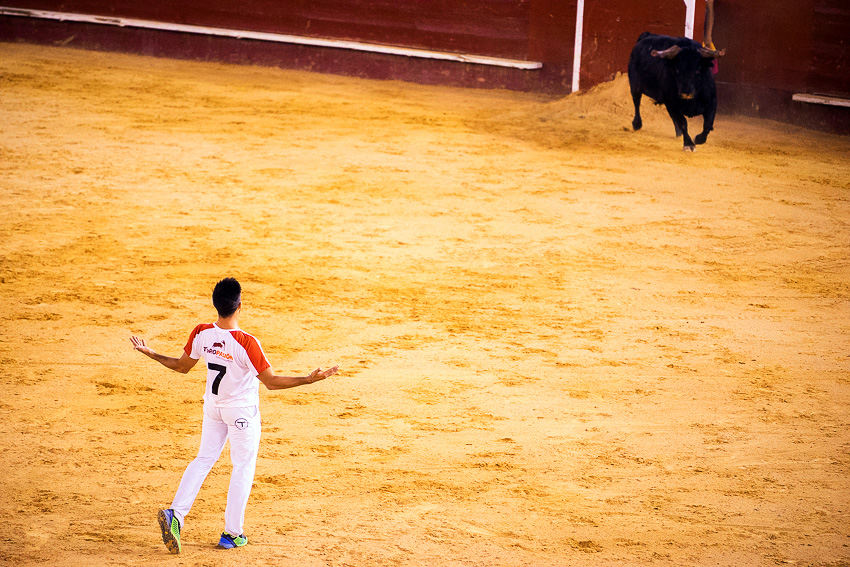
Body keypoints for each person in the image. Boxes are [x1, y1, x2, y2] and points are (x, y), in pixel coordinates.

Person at [130, 277, 338, 554]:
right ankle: (232, 533)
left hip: (213, 408)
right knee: (242, 467)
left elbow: (181, 367)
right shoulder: (247, 343)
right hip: (241, 413)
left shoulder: (201, 332)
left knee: (203, 459)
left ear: (216, 305)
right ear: (240, 306)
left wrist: (152, 353)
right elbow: (272, 383)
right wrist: (308, 380)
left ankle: (176, 514)